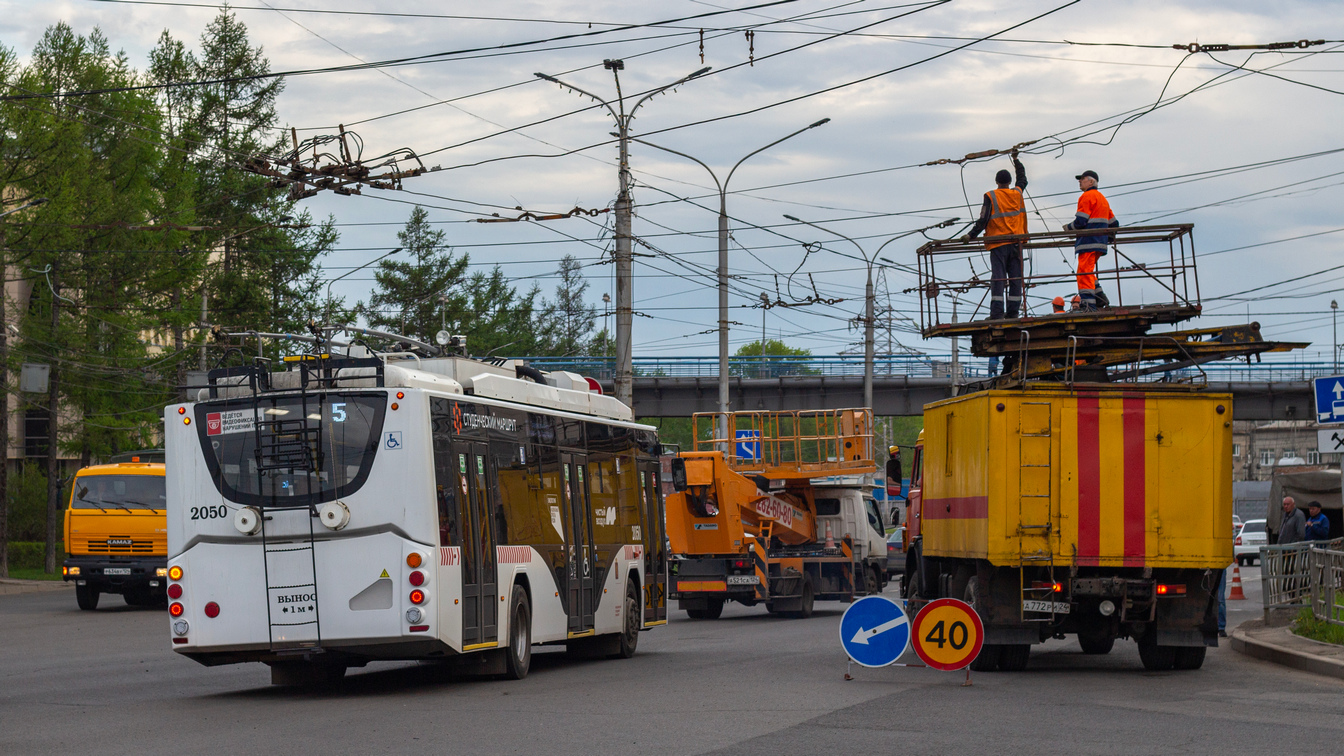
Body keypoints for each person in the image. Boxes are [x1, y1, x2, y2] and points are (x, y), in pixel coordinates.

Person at [966, 152, 1028, 320]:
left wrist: (971, 235)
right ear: (1009, 182)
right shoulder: (1017, 193)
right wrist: (1016, 161)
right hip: (1016, 243)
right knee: (1016, 278)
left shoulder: (991, 196)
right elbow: (1023, 180)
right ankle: (1013, 313)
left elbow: (983, 219)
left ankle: (997, 314)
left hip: (998, 244)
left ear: (996, 182)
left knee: (998, 279)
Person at [1063, 170, 1118, 311]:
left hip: (1088, 241)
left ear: (1091, 182)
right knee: (1088, 271)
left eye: (1082, 179)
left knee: (1083, 272)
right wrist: (1108, 237)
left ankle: (1088, 305)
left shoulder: (1086, 196)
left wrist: (1068, 228)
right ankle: (1099, 297)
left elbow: (1081, 221)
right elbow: (1114, 223)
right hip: (1100, 242)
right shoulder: (1102, 199)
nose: (1079, 182)